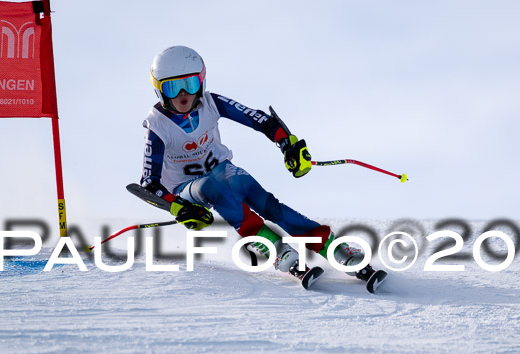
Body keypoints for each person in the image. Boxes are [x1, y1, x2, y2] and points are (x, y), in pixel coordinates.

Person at [140, 45, 369, 281]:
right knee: (210, 185)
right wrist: (177, 206)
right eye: (172, 87)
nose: (182, 94)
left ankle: (332, 247)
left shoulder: (211, 103)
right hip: (185, 189)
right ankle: (276, 249)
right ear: (159, 91)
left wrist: (287, 144)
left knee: (261, 198)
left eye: (189, 84)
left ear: (202, 82)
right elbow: (149, 182)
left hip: (220, 170)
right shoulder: (157, 125)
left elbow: (257, 118)